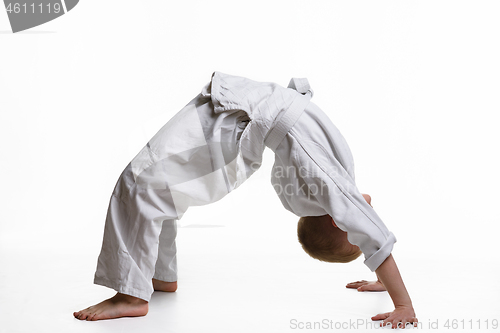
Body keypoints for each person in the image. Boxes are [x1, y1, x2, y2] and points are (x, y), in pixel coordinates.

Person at [73, 72, 417, 328]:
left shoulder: (328, 188)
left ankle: (132, 294)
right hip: (247, 112)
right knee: (156, 185)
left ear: (336, 221)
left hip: (243, 116)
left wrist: (404, 307)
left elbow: (374, 238)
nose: (364, 213)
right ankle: (158, 276)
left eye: (351, 233)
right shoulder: (332, 187)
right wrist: (384, 282)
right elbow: (369, 234)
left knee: (140, 180)